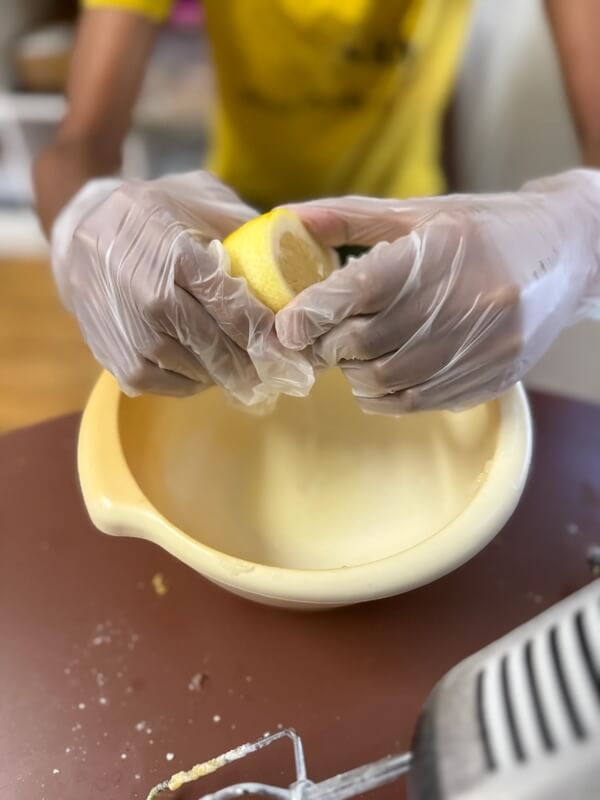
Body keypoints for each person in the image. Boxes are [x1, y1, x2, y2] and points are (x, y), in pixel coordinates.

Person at [35, 1, 600, 413]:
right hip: (234, 239)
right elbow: (77, 144)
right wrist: (83, 222)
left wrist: (574, 232)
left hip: (407, 242)